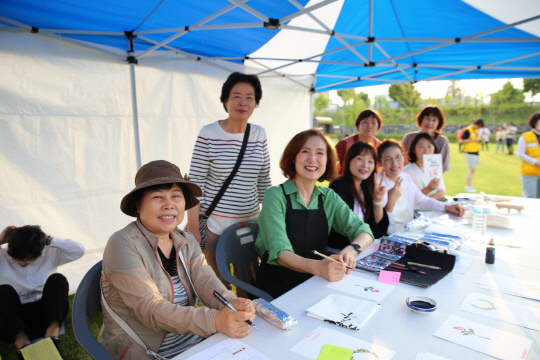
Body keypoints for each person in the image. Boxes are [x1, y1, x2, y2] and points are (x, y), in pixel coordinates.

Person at [99, 160, 256, 359]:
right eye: (157, 197)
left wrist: (232, 303)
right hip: (147, 351)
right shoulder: (122, 244)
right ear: (138, 205)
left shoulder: (185, 239)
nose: (169, 205)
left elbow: (205, 280)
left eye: (176, 196)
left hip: (192, 341)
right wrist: (215, 321)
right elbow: (151, 309)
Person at [255, 129, 374, 298]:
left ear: (327, 160)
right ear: (293, 157)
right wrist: (318, 267)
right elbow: (280, 253)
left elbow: (365, 232)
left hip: (316, 283)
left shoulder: (329, 197)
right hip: (277, 289)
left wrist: (349, 251)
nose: (312, 159)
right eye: (305, 151)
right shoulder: (275, 195)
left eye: (320, 153)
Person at [187, 72, 271, 282]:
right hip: (215, 226)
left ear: (256, 103)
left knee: (249, 282)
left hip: (249, 224)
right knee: (218, 286)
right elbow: (195, 185)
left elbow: (264, 182)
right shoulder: (208, 133)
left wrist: (270, 220)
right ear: (225, 101)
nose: (243, 102)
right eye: (236, 96)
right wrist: (193, 229)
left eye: (249, 97)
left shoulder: (259, 134)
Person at [0, 225, 84, 357]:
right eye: (17, 260)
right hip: (13, 318)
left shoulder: (49, 252)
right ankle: (22, 343)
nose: (23, 263)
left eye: (29, 260)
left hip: (45, 313)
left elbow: (78, 251)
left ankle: (52, 335)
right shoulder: (2, 256)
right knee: (3, 291)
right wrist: (0, 241)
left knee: (58, 280)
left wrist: (49, 239)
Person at [377, 140, 464, 234]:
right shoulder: (377, 183)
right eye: (388, 159)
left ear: (403, 157)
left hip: (407, 233)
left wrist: (447, 207)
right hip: (387, 236)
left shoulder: (405, 177)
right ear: (380, 162)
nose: (394, 163)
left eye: (398, 157)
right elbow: (377, 221)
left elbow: (422, 200)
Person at [329, 141, 389, 249]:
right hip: (343, 250)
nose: (365, 165)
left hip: (363, 247)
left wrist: (377, 200)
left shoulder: (367, 187)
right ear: (348, 161)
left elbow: (380, 228)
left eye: (370, 161)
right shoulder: (339, 186)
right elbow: (344, 228)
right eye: (360, 159)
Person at [402, 105, 451, 172]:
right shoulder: (409, 138)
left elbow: (443, 167)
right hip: (408, 177)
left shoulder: (442, 141)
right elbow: (402, 161)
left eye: (434, 120)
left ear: (438, 123)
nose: (430, 123)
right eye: (427, 119)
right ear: (421, 119)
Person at [335, 108, 383, 173]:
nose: (369, 126)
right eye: (365, 122)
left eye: (373, 123)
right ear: (358, 126)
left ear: (378, 127)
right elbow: (329, 162)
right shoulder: (345, 144)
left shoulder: (381, 147)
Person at [403, 133, 446, 200]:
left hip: (434, 207)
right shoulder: (408, 171)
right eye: (421, 147)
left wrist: (429, 202)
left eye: (429, 146)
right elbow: (409, 197)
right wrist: (429, 189)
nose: (426, 151)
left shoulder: (434, 166)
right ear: (414, 150)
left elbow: (441, 191)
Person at [517, 112, 540, 198]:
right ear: (535, 123)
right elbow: (520, 153)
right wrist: (535, 162)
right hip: (530, 173)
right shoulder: (525, 136)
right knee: (530, 197)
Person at [459, 119, 485, 193]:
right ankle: (468, 186)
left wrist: (480, 140)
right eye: (478, 126)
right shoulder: (468, 130)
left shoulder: (476, 131)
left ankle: (469, 186)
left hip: (476, 151)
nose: (478, 128)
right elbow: (461, 140)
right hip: (470, 152)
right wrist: (473, 140)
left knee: (473, 170)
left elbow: (476, 141)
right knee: (471, 170)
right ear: (475, 124)